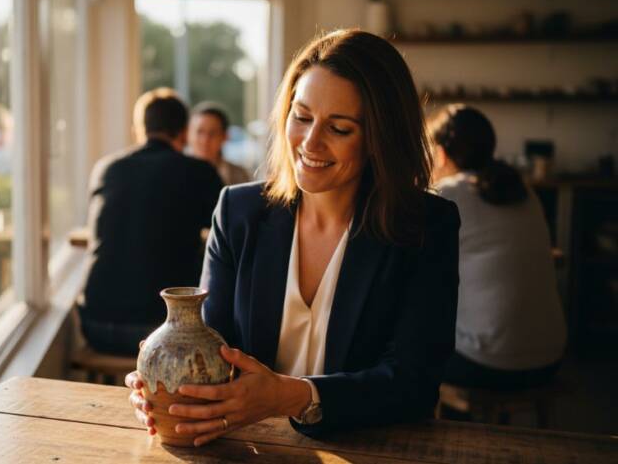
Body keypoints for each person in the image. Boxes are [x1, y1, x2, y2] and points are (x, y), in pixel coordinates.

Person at [126, 29, 461, 445]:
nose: (310, 142)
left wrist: (293, 396)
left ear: (380, 139)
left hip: (372, 448)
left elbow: (414, 384)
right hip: (255, 446)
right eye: (301, 117)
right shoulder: (238, 212)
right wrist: (171, 387)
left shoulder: (428, 225)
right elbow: (214, 352)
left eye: (339, 129)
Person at [428, 104, 566, 391]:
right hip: (550, 357)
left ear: (440, 154)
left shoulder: (447, 195)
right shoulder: (523, 189)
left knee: (408, 336)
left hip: (484, 365)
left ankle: (450, 428)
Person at [80, 88, 224, 356]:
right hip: (163, 330)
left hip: (96, 324)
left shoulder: (106, 169)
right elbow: (226, 235)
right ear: (183, 132)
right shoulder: (199, 172)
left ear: (138, 129)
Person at [187, 102, 251, 185]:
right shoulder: (177, 172)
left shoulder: (240, 175)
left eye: (212, 133)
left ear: (225, 136)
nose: (205, 140)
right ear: (188, 134)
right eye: (199, 132)